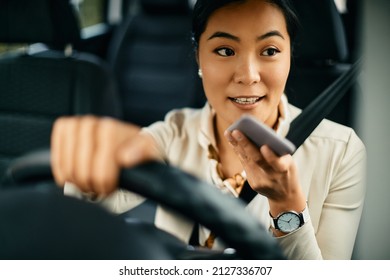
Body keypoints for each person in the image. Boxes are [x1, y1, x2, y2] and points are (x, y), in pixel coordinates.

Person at [50, 0, 366, 260]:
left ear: (289, 57)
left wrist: (287, 207)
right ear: (198, 56)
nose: (248, 75)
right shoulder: (174, 131)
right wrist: (92, 162)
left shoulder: (340, 150)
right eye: (225, 50)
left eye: (269, 50)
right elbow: (88, 208)